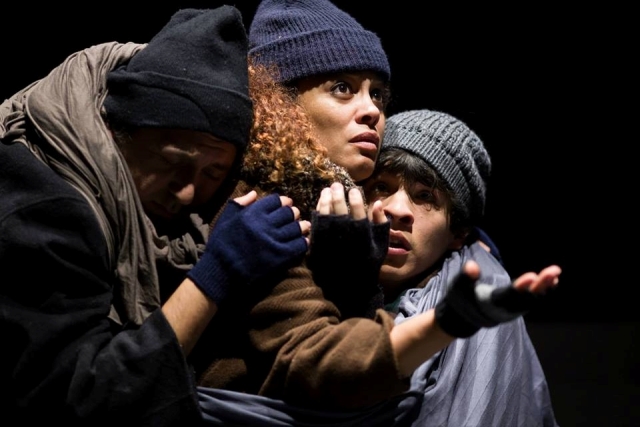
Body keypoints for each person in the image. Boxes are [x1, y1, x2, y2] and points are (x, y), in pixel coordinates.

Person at [192, 1, 559, 424]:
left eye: (378, 94)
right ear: (281, 100)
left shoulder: (325, 195)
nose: (372, 110)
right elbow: (315, 363)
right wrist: (441, 324)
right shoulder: (261, 207)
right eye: (342, 88)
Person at [0, 6, 310, 425]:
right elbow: (83, 401)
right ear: (114, 131)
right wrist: (217, 274)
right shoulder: (45, 209)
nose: (188, 191)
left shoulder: (151, 211)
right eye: (173, 162)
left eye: (212, 173)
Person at [355, 108, 559, 426]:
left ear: (458, 234)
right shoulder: (309, 275)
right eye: (381, 186)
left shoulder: (482, 296)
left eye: (425, 196)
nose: (397, 209)